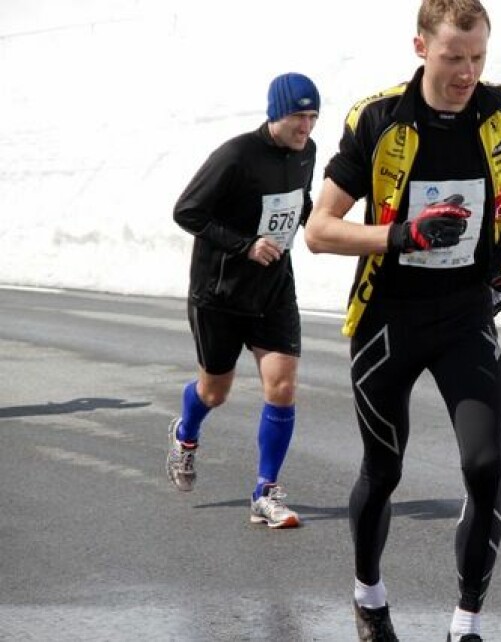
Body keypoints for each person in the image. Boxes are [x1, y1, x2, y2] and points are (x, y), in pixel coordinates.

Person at [304, 1, 501, 639]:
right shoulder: (378, 118)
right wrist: (402, 235)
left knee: (486, 467)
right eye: (454, 57)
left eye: (478, 57)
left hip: (465, 316)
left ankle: (466, 622)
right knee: (384, 469)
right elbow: (319, 231)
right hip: (388, 321)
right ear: (421, 47)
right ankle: (369, 594)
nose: (467, 72)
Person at [166, 72, 320, 530]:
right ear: (276, 113)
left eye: (313, 117)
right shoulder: (235, 156)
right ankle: (185, 433)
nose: (306, 127)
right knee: (215, 391)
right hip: (220, 292)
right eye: (298, 116)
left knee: (283, 387)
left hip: (273, 289)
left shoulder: (306, 152)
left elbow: (298, 202)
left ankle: (265, 491)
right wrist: (244, 245)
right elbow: (187, 211)